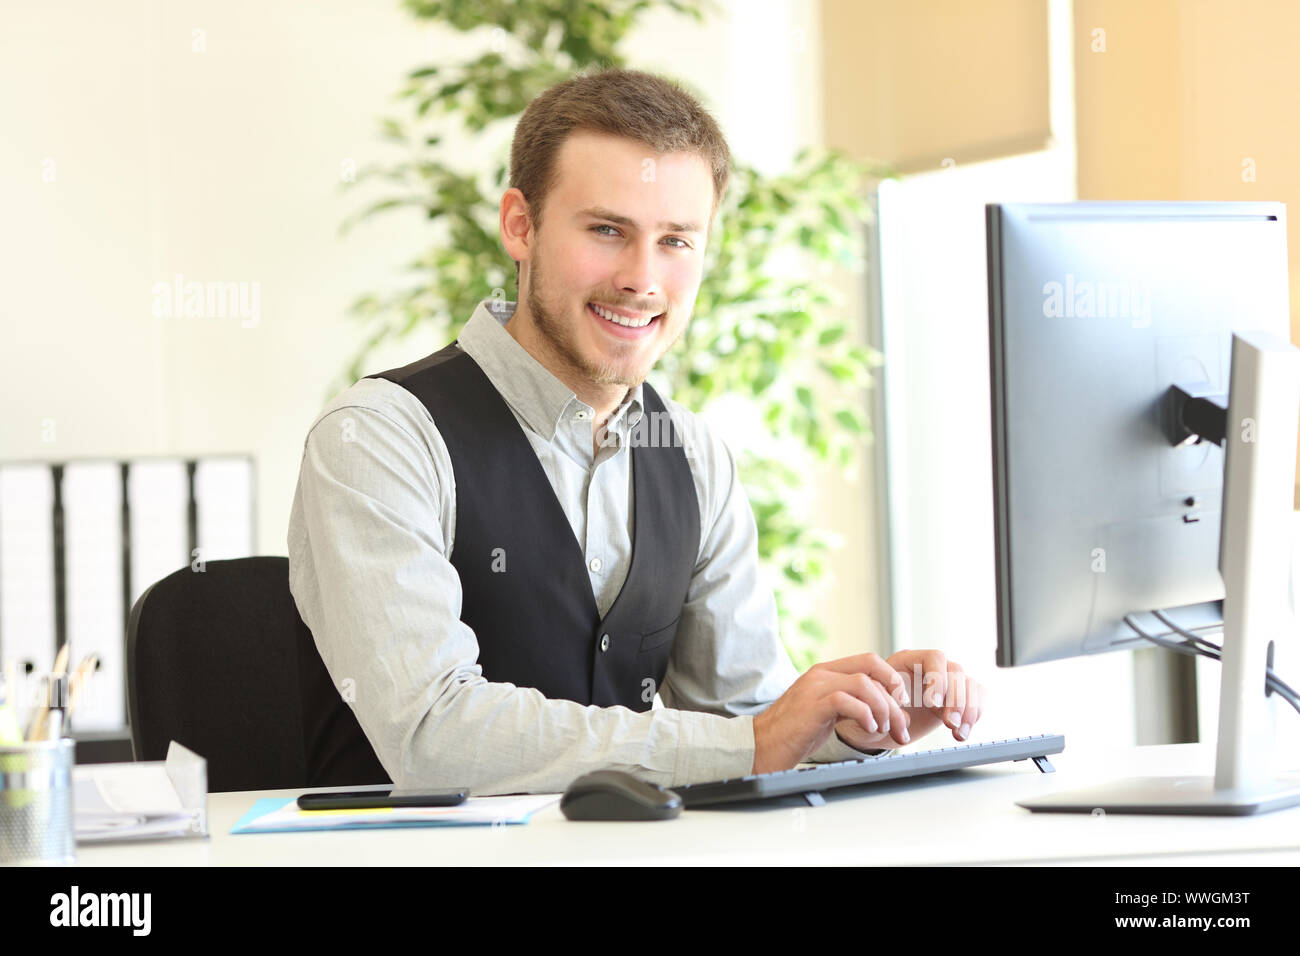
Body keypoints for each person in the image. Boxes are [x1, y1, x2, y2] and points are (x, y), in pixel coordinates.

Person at [287, 67, 984, 794]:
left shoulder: (694, 456)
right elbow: (433, 735)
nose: (641, 279)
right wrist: (757, 739)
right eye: (607, 230)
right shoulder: (378, 440)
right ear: (520, 226)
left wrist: (845, 724)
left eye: (677, 241)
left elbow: (743, 715)